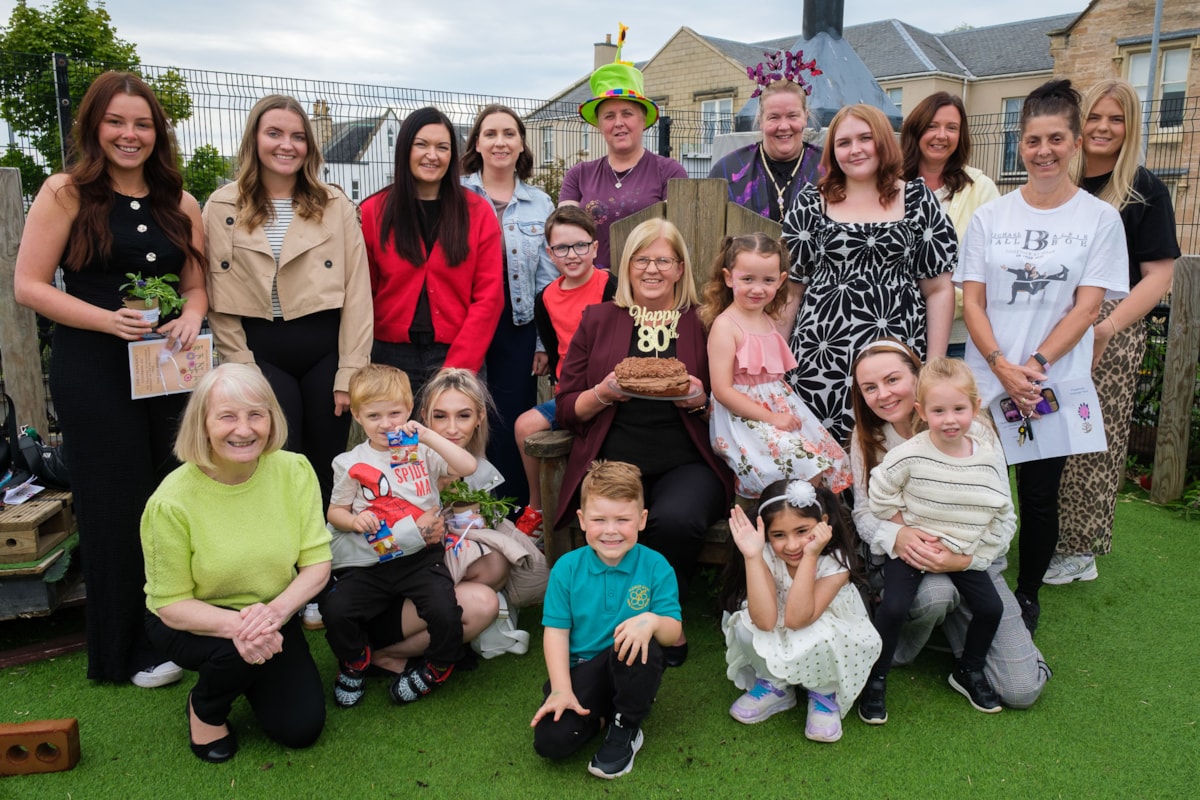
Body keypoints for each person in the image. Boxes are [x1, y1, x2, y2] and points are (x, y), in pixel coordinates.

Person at [14, 71, 207, 686]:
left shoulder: (181, 201)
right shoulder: (66, 193)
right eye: (116, 122)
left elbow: (197, 287)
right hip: (94, 368)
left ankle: (181, 628)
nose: (130, 134)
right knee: (114, 503)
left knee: (173, 496)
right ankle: (124, 651)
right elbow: (29, 286)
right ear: (95, 126)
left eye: (142, 123)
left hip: (167, 368)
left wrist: (193, 315)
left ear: (158, 131)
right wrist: (107, 321)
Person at [956, 80, 1128, 633]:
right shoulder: (990, 218)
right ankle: (970, 586)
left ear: (1077, 143)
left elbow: (1087, 308)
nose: (1044, 150)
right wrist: (1000, 364)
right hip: (987, 376)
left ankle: (1026, 595)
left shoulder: (1100, 220)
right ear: (1020, 144)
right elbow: (973, 299)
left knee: (1037, 495)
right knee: (978, 485)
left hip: (1048, 382)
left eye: (1056, 138)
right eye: (1033, 139)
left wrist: (1032, 368)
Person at [554, 218, 733, 666]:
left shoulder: (704, 322)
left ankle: (661, 617)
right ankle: (609, 613)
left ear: (680, 269)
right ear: (628, 267)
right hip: (614, 459)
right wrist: (603, 393)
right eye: (641, 259)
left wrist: (699, 400)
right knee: (615, 516)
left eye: (663, 260)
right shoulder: (598, 319)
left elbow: (729, 399)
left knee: (675, 520)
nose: (651, 270)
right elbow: (565, 405)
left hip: (686, 458)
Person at [140, 363, 331, 763]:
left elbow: (317, 565)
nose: (243, 430)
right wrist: (241, 629)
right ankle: (206, 708)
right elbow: (171, 603)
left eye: (255, 415)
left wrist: (273, 615)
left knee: (300, 729)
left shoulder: (294, 471)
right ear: (202, 424)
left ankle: (248, 666)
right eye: (227, 416)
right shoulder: (170, 501)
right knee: (230, 654)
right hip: (194, 620)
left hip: (271, 611)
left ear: (271, 419)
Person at [849, 338, 1049, 709]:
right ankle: (901, 651)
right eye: (870, 387)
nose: (883, 394)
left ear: (917, 376)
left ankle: (970, 652)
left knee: (1022, 690)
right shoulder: (870, 440)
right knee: (935, 595)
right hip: (913, 558)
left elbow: (1001, 513)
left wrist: (967, 560)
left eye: (893, 380)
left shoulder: (976, 431)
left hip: (972, 559)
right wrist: (900, 534)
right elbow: (865, 512)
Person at [204, 95, 373, 505]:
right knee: (277, 461)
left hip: (324, 351)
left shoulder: (334, 204)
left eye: (298, 136)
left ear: (310, 147)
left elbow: (357, 293)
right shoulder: (221, 205)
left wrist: (350, 370)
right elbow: (217, 294)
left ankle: (330, 559)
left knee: (327, 466)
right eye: (274, 133)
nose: (287, 145)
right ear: (255, 139)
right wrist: (241, 366)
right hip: (262, 352)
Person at [1049, 79, 1181, 585]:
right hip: (1052, 319)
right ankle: (1042, 531)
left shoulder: (1144, 189)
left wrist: (1107, 327)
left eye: (1117, 119)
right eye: (1095, 117)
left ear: (1131, 128)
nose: (1103, 127)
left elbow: (1160, 276)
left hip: (1111, 326)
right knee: (1040, 430)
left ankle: (1079, 548)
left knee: (1090, 437)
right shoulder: (1058, 180)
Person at [782, 103, 957, 445]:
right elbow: (791, 291)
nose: (855, 149)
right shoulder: (810, 202)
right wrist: (777, 362)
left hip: (896, 357)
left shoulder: (919, 200)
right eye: (843, 142)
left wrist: (933, 366)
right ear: (832, 151)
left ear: (882, 142)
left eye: (865, 138)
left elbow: (938, 289)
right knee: (823, 456)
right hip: (822, 358)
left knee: (896, 451)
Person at [321, 364, 474, 708]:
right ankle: (354, 660)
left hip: (420, 557)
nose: (386, 423)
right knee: (336, 608)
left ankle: (437, 665)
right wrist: (354, 521)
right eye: (374, 415)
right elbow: (335, 511)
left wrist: (427, 435)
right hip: (369, 560)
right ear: (357, 415)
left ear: (409, 410)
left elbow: (467, 467)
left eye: (395, 412)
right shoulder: (349, 461)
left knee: (445, 610)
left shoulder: (422, 450)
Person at [530, 461, 681, 780]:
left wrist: (652, 620)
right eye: (599, 520)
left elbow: (672, 632)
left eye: (622, 520)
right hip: (581, 670)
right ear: (582, 521)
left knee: (640, 642)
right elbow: (556, 633)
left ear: (641, 520)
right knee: (551, 743)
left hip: (628, 663)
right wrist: (560, 689)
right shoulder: (566, 569)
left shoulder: (657, 567)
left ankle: (626, 726)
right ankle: (600, 716)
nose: (611, 530)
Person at [361, 106, 503, 402]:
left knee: (454, 446)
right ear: (405, 149)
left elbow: (489, 297)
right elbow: (364, 292)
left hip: (458, 351)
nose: (432, 155)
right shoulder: (373, 211)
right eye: (422, 144)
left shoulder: (477, 212)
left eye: (443, 147)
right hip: (390, 358)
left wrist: (458, 366)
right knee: (399, 447)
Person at [721, 481, 880, 743]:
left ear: (823, 522)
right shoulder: (765, 553)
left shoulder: (835, 562)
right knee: (743, 623)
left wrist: (811, 555)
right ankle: (775, 685)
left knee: (818, 635)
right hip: (782, 620)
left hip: (821, 627)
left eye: (802, 531)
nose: (792, 545)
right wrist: (752, 556)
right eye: (779, 535)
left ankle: (823, 692)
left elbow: (798, 619)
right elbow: (764, 620)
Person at [702, 233, 850, 499]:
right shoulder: (726, 326)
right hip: (742, 419)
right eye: (747, 279)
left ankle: (816, 528)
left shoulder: (768, 319)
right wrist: (772, 418)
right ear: (728, 277)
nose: (758, 289)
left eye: (768, 280)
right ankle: (791, 521)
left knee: (827, 457)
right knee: (806, 464)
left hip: (778, 407)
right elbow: (722, 390)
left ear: (781, 280)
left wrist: (779, 415)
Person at [461, 104, 557, 509]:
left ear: (521, 144)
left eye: (509, 134)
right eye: (490, 134)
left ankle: (513, 509)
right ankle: (465, 507)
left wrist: (540, 341)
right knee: (464, 411)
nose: (500, 142)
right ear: (477, 143)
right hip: (467, 324)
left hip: (518, 325)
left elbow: (547, 279)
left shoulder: (540, 202)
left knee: (510, 415)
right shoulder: (457, 194)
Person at [419, 368, 549, 658]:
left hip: (449, 568)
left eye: (463, 416)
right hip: (413, 564)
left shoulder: (480, 467)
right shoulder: (412, 461)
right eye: (440, 416)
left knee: (498, 563)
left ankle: (457, 625)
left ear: (479, 418)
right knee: (492, 566)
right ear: (425, 416)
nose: (451, 428)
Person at [513, 205, 617, 534]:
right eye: (561, 248)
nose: (572, 255)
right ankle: (538, 506)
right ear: (550, 252)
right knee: (525, 425)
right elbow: (556, 352)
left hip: (609, 395)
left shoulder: (611, 288)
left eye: (580, 246)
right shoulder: (546, 298)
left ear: (595, 247)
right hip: (569, 396)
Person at [559, 27, 688, 268]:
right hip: (594, 287)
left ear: (643, 121)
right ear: (599, 125)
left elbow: (677, 237)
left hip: (651, 285)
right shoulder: (578, 175)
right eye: (609, 116)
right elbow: (567, 234)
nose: (618, 123)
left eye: (627, 113)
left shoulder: (670, 173)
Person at [900, 91, 1000, 359]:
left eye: (951, 128)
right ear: (915, 130)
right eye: (932, 126)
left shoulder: (981, 188)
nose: (941, 135)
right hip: (896, 331)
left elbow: (993, 265)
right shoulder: (889, 186)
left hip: (959, 338)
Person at [708, 50, 823, 221]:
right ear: (760, 121)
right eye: (774, 117)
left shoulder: (829, 166)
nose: (784, 126)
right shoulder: (728, 170)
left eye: (792, 116)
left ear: (805, 117)